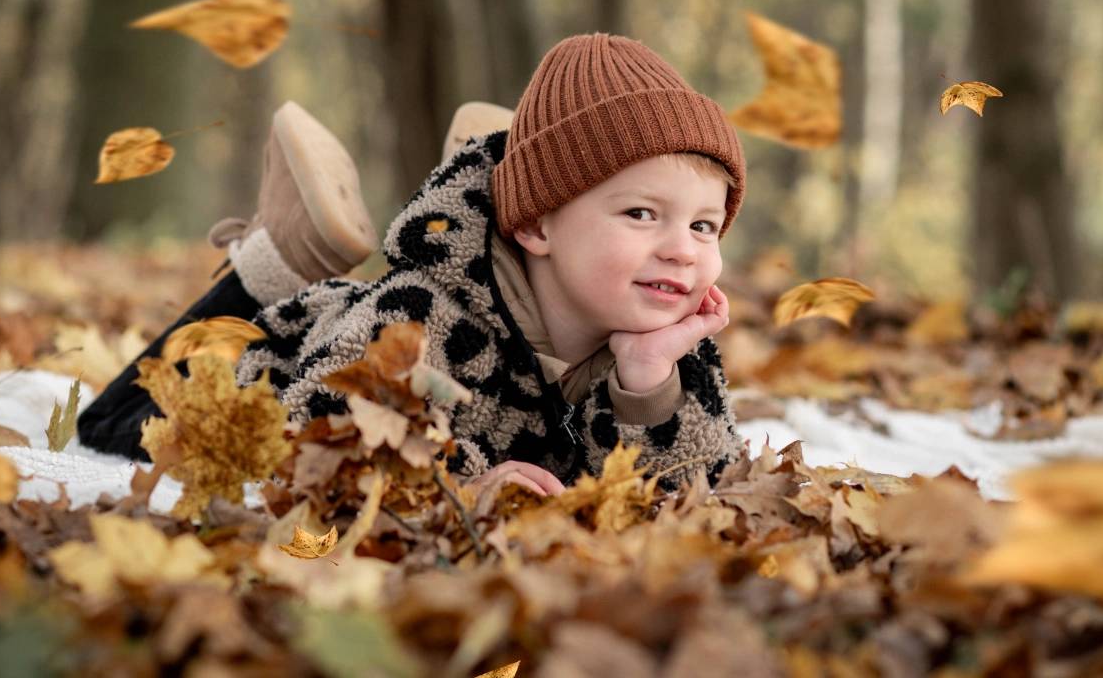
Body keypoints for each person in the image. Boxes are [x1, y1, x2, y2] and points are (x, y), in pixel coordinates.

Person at [77, 34, 749, 498]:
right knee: (120, 420)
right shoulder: (418, 315)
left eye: (703, 225)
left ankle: (499, 164)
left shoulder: (671, 333)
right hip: (284, 369)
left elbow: (698, 491)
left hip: (517, 273)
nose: (683, 250)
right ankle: (278, 258)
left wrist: (648, 379)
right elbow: (329, 429)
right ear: (538, 223)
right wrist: (453, 487)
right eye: (640, 215)